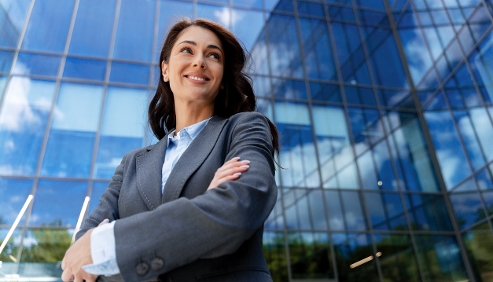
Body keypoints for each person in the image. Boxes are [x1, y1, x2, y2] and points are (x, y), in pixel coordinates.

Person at [61, 18, 279, 282]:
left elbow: (242, 204)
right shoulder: (132, 163)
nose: (199, 61)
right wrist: (203, 208)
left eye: (213, 55)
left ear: (222, 79)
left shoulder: (244, 128)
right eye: (187, 50)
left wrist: (113, 245)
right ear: (165, 69)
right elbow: (82, 256)